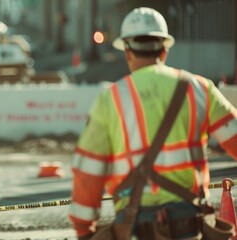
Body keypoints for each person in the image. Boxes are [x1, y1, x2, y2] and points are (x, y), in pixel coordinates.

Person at [68, 7, 237, 240]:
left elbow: (88, 173)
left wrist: (83, 229)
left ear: (127, 51)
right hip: (190, 225)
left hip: (136, 228)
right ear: (165, 49)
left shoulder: (111, 99)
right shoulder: (200, 89)